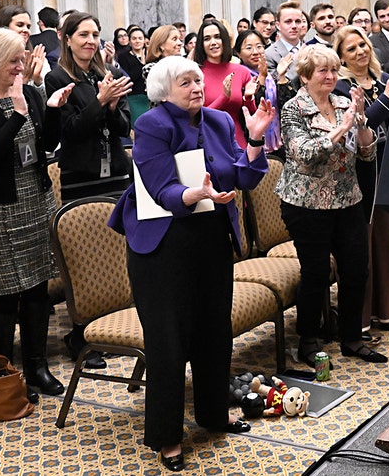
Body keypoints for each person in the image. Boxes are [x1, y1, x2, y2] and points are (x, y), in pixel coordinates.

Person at [109, 57, 274, 472]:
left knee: (214, 332)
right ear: (165, 91)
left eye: (198, 81)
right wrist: (195, 194)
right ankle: (167, 439)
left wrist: (253, 141)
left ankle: (214, 416)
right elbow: (161, 188)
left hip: (210, 239)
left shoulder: (218, 120)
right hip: (163, 246)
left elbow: (243, 176)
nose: (197, 87)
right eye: (186, 82)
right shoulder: (152, 124)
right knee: (168, 344)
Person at [0, 28, 72, 402]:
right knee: (6, 294)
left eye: (21, 60)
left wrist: (50, 108)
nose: (20, 67)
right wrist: (17, 114)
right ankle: (1, 371)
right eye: (13, 61)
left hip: (37, 201)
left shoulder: (29, 94)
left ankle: (37, 367)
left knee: (38, 289)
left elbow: (47, 144)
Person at [277, 45, 386, 368]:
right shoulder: (292, 109)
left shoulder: (343, 103)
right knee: (316, 272)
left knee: (356, 269)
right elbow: (306, 154)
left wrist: (362, 122)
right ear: (306, 75)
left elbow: (365, 154)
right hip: (305, 204)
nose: (331, 77)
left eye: (334, 70)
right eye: (323, 71)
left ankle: (352, 338)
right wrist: (342, 128)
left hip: (347, 199)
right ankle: (308, 341)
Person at [332, 26, 389, 340]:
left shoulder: (383, 77)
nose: (361, 51)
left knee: (387, 242)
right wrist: (388, 97)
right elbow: (363, 122)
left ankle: (385, 313)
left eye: (363, 44)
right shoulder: (340, 85)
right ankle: (359, 321)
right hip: (359, 172)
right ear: (341, 57)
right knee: (362, 247)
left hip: (388, 165)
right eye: (351, 49)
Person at [46, 11, 132, 196]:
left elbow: (124, 129)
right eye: (83, 35)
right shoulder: (57, 78)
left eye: (95, 35)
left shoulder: (111, 74)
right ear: (68, 39)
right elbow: (71, 130)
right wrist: (100, 100)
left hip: (116, 167)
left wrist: (112, 108)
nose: (91, 41)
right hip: (79, 171)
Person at [195, 20, 258, 148]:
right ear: (201, 44)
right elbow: (197, 118)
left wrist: (248, 98)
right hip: (207, 141)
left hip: (237, 141)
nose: (213, 42)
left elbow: (252, 116)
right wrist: (224, 97)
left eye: (217, 37)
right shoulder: (194, 73)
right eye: (207, 39)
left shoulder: (241, 71)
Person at [264, 2, 307, 78]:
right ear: (278, 25)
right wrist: (298, 62)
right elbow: (276, 86)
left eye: (298, 21)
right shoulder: (269, 54)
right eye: (288, 22)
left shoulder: (311, 50)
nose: (294, 26)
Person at [118, 26, 151, 124]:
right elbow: (128, 78)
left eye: (140, 38)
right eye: (134, 38)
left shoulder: (150, 55)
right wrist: (142, 64)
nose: (137, 41)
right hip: (134, 97)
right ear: (129, 41)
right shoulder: (124, 57)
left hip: (150, 98)